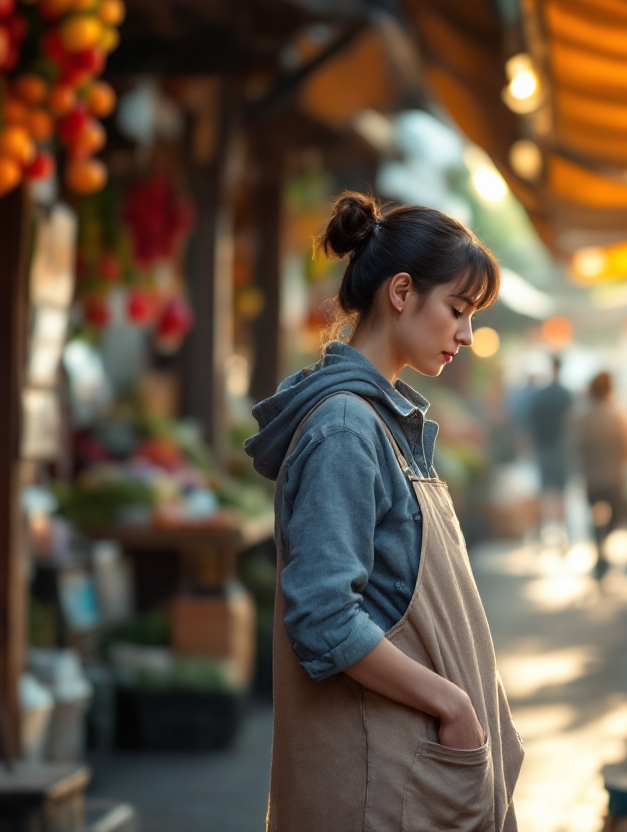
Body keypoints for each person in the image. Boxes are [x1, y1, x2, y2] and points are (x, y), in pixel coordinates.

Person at [244, 191, 522, 832]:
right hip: (379, 783)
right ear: (401, 292)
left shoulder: (381, 419)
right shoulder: (345, 427)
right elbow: (323, 615)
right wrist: (452, 705)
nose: (467, 335)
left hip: (406, 770)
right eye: (457, 309)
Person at [574, 371, 627, 577]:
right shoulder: (617, 415)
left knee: (595, 516)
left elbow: (577, 445)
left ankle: (599, 549)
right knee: (614, 516)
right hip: (613, 475)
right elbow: (626, 445)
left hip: (591, 475)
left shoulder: (584, 415)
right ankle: (603, 547)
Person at [528, 355, 574, 545]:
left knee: (544, 490)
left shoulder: (541, 395)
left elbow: (531, 422)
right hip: (561, 447)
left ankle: (541, 532)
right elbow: (572, 422)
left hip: (543, 446)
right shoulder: (566, 394)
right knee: (561, 491)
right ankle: (563, 533)